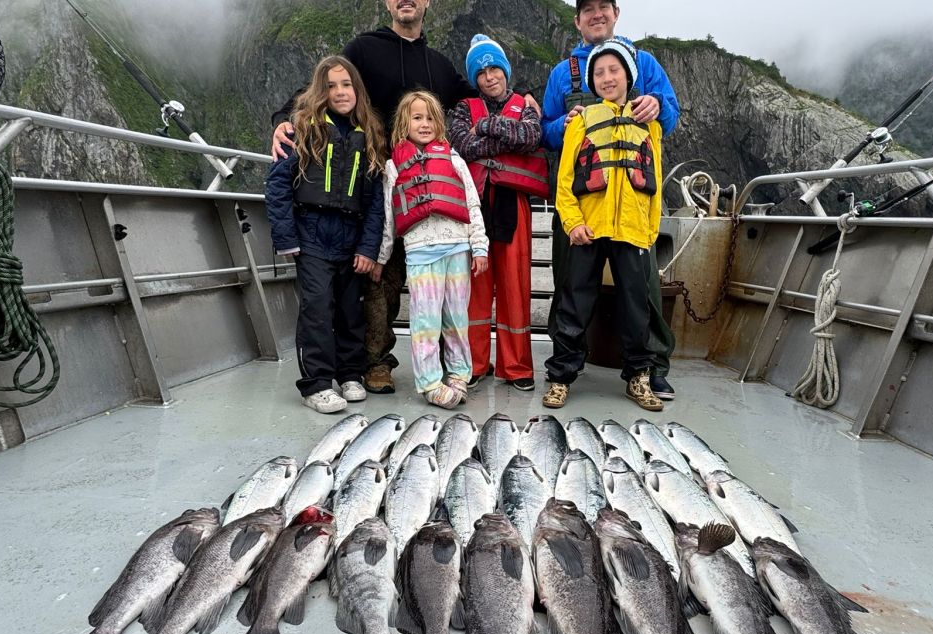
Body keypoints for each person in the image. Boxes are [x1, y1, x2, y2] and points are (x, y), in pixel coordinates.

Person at [271, 0, 532, 397]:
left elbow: (477, 95)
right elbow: (324, 85)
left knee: (443, 300)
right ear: (388, 3)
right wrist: (284, 121)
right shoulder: (363, 49)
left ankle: (449, 366)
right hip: (381, 185)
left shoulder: (439, 65)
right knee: (380, 283)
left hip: (433, 204)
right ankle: (376, 362)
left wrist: (525, 95)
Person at [541, 0, 682, 400]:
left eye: (604, 6)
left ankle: (650, 369)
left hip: (633, 215)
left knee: (642, 297)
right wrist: (561, 126)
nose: (597, 14)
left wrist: (659, 107)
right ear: (577, 20)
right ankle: (565, 369)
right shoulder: (560, 73)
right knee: (570, 289)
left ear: (616, 13)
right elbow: (545, 131)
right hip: (582, 210)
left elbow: (669, 116)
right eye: (588, 9)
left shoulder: (646, 62)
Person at [266, 56, 387, 414]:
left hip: (351, 236)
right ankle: (316, 383)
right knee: (317, 308)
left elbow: (376, 200)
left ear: (357, 89)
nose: (340, 92)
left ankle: (350, 373)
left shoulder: (370, 136)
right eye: (331, 85)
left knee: (352, 309)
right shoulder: (301, 128)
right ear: (321, 91)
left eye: (346, 84)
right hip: (312, 234)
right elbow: (277, 185)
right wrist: (286, 238)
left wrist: (368, 246)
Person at [377, 91, 489, 409]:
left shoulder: (454, 159)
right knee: (425, 322)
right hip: (420, 252)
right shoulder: (393, 167)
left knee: (456, 319)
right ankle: (429, 382)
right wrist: (383, 257)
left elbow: (471, 204)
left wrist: (479, 247)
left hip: (458, 248)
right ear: (404, 122)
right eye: (417, 117)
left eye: (429, 118)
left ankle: (458, 375)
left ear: (438, 123)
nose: (424, 123)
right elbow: (389, 216)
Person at [448, 35, 546, 392]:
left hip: (512, 203)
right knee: (474, 287)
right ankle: (475, 364)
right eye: (482, 72)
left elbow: (532, 136)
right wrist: (507, 138)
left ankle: (516, 367)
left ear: (505, 70)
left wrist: (488, 126)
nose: (490, 77)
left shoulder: (527, 105)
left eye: (495, 68)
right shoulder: (462, 108)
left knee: (514, 285)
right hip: (473, 205)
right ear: (475, 78)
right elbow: (463, 144)